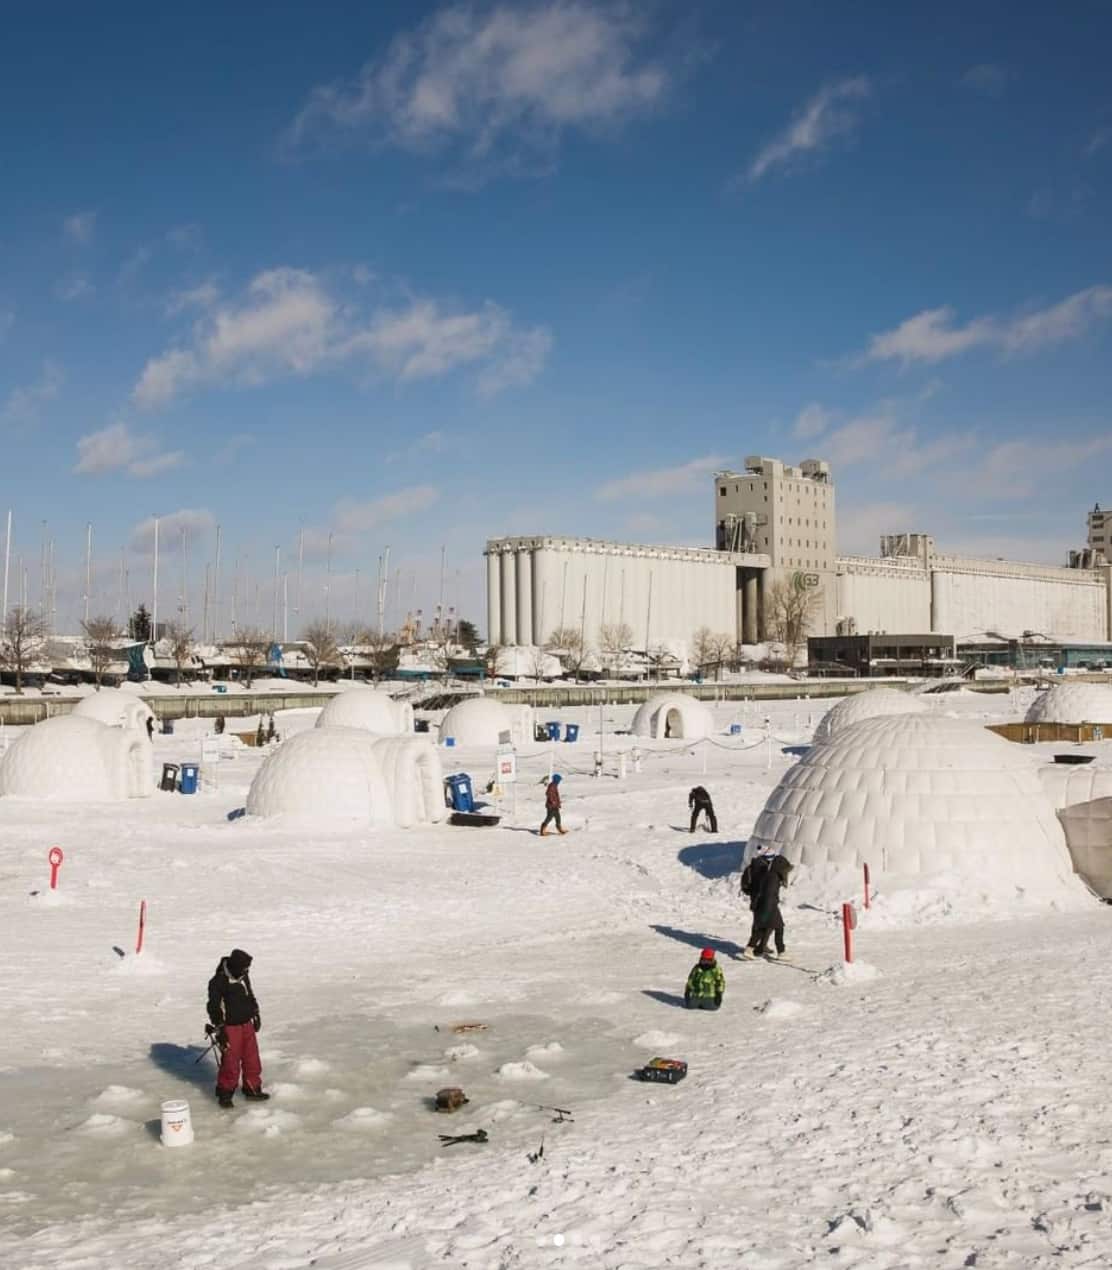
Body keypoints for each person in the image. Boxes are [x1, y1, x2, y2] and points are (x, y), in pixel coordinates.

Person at [207, 948, 268, 1107]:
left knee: (252, 1058)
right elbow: (214, 1007)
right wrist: (220, 1029)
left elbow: (250, 994)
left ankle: (252, 1088)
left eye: (247, 968)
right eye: (244, 968)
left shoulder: (243, 976)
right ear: (234, 967)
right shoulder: (218, 982)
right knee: (231, 1062)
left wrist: (255, 1013)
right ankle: (225, 1093)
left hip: (246, 1024)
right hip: (230, 1027)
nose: (246, 971)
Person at [745, 854, 794, 960]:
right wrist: (769, 909)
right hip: (769, 906)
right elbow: (769, 894)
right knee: (778, 928)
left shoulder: (770, 874)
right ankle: (781, 952)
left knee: (764, 928)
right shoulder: (773, 877)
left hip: (766, 905)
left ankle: (750, 949)